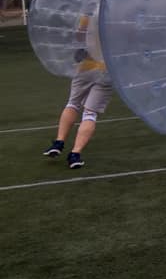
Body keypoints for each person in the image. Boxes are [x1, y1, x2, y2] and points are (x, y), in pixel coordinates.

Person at [42, 10, 113, 169]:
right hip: (107, 70)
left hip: (86, 65)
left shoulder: (89, 14)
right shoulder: (118, 17)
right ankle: (75, 154)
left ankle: (59, 142)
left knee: (73, 103)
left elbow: (79, 37)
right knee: (90, 113)